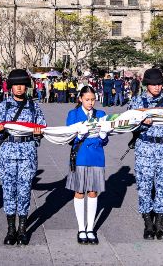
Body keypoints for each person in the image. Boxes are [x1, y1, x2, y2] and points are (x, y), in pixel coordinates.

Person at [126, 68, 163, 240]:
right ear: (147, 84)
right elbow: (129, 125)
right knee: (144, 185)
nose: (157, 87)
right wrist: (143, 124)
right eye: (153, 84)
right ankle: (148, 223)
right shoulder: (136, 102)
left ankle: (160, 223)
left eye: (159, 84)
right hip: (145, 148)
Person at [0, 69, 46, 245]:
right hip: (7, 153)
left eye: (22, 84)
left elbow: (42, 129)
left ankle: (22, 230)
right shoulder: (3, 106)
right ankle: (10, 230)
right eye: (16, 85)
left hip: (27, 153)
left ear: (27, 86)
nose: (19, 88)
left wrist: (38, 133)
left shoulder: (34, 106)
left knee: (24, 191)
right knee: (8, 191)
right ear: (10, 86)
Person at [66, 86, 111, 245]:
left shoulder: (101, 114)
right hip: (80, 157)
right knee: (79, 192)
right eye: (87, 99)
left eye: (92, 99)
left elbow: (105, 141)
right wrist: (78, 135)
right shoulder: (73, 114)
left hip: (97, 156)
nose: (90, 102)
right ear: (80, 99)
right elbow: (69, 138)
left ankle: (90, 228)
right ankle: (81, 228)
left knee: (93, 192)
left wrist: (104, 135)